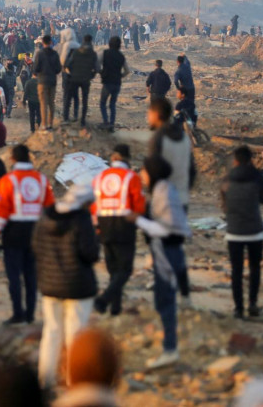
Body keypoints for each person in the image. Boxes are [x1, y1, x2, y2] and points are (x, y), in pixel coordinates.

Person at [32, 184, 98, 388]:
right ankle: (74, 379)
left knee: (51, 332)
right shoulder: (81, 220)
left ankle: (45, 379)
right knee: (76, 334)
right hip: (77, 285)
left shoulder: (46, 216)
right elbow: (90, 253)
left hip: (50, 285)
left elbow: (35, 247)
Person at [0, 144, 55, 324]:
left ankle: (18, 313)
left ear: (12, 159)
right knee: (31, 275)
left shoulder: (7, 181)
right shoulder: (41, 179)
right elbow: (50, 208)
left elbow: (1, 212)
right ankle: (30, 313)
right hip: (36, 232)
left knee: (14, 276)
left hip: (13, 232)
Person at [134, 156, 190, 369]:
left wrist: (137, 220)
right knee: (162, 300)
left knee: (165, 301)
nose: (141, 174)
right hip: (165, 252)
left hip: (166, 253)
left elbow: (167, 229)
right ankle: (168, 343)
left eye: (144, 171)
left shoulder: (162, 192)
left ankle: (170, 349)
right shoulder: (164, 189)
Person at [146, 98, 195, 305]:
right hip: (181, 200)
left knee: (160, 247)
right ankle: (184, 293)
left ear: (157, 115)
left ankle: (164, 292)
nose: (147, 117)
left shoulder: (158, 138)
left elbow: (153, 170)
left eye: (149, 113)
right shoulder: (184, 138)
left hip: (162, 201)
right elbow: (192, 170)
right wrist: (183, 191)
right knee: (175, 247)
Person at [91, 144, 145, 316]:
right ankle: (104, 300)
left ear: (113, 157)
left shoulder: (100, 177)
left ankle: (115, 309)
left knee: (113, 270)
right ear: (127, 158)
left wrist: (96, 227)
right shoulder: (131, 177)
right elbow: (139, 204)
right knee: (125, 270)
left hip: (104, 224)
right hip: (124, 225)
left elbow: (94, 205)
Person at [220, 146, 263, 319]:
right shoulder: (258, 177)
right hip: (254, 230)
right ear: (250, 159)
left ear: (235, 160)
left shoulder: (227, 179)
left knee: (237, 270)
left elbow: (224, 206)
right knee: (255, 268)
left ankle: (238, 308)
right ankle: (253, 303)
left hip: (234, 231)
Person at [64, 34, 99, 128]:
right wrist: (91, 76)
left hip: (74, 78)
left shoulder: (76, 52)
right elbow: (97, 68)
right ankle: (82, 120)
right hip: (86, 79)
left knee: (70, 98)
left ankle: (67, 118)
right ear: (91, 42)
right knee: (84, 100)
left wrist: (71, 74)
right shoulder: (93, 54)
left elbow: (68, 65)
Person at [32, 34, 62, 131]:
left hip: (42, 81)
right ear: (50, 42)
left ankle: (44, 124)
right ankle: (50, 124)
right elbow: (58, 69)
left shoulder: (39, 54)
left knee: (43, 103)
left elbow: (35, 69)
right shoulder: (55, 54)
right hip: (52, 81)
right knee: (51, 103)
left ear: (42, 43)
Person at [99, 37, 129, 130]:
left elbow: (96, 63)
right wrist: (120, 76)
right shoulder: (121, 56)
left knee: (103, 103)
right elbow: (127, 71)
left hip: (107, 82)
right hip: (117, 83)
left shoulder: (104, 53)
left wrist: (101, 72)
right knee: (112, 104)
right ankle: (112, 123)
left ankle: (106, 122)